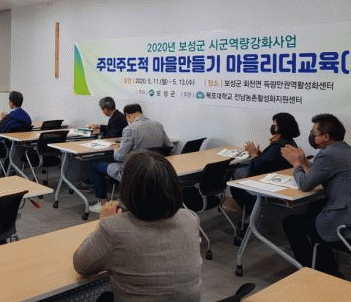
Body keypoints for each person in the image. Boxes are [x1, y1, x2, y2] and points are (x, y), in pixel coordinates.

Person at [73, 151, 202, 302]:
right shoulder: (190, 218)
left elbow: (81, 265)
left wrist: (104, 221)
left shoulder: (113, 228)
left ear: (127, 187)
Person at [281, 113, 351, 275]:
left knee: (291, 223)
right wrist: (304, 162)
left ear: (325, 136)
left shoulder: (328, 155)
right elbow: (318, 174)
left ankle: (314, 271)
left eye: (314, 133)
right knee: (313, 208)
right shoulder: (348, 150)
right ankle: (326, 266)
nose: (311, 136)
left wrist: (296, 164)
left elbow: (305, 184)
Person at [89, 104, 172, 213]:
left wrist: (116, 149)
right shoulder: (158, 125)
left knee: (96, 165)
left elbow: (119, 157)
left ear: (128, 115)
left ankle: (103, 203)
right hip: (155, 169)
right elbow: (169, 146)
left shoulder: (130, 129)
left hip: (132, 171)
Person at [231, 112, 300, 213]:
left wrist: (254, 155)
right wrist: (259, 153)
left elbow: (260, 165)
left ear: (282, 127)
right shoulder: (289, 141)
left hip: (267, 179)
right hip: (274, 175)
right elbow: (269, 160)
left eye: (275, 125)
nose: (272, 127)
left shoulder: (278, 146)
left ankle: (252, 212)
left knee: (235, 180)